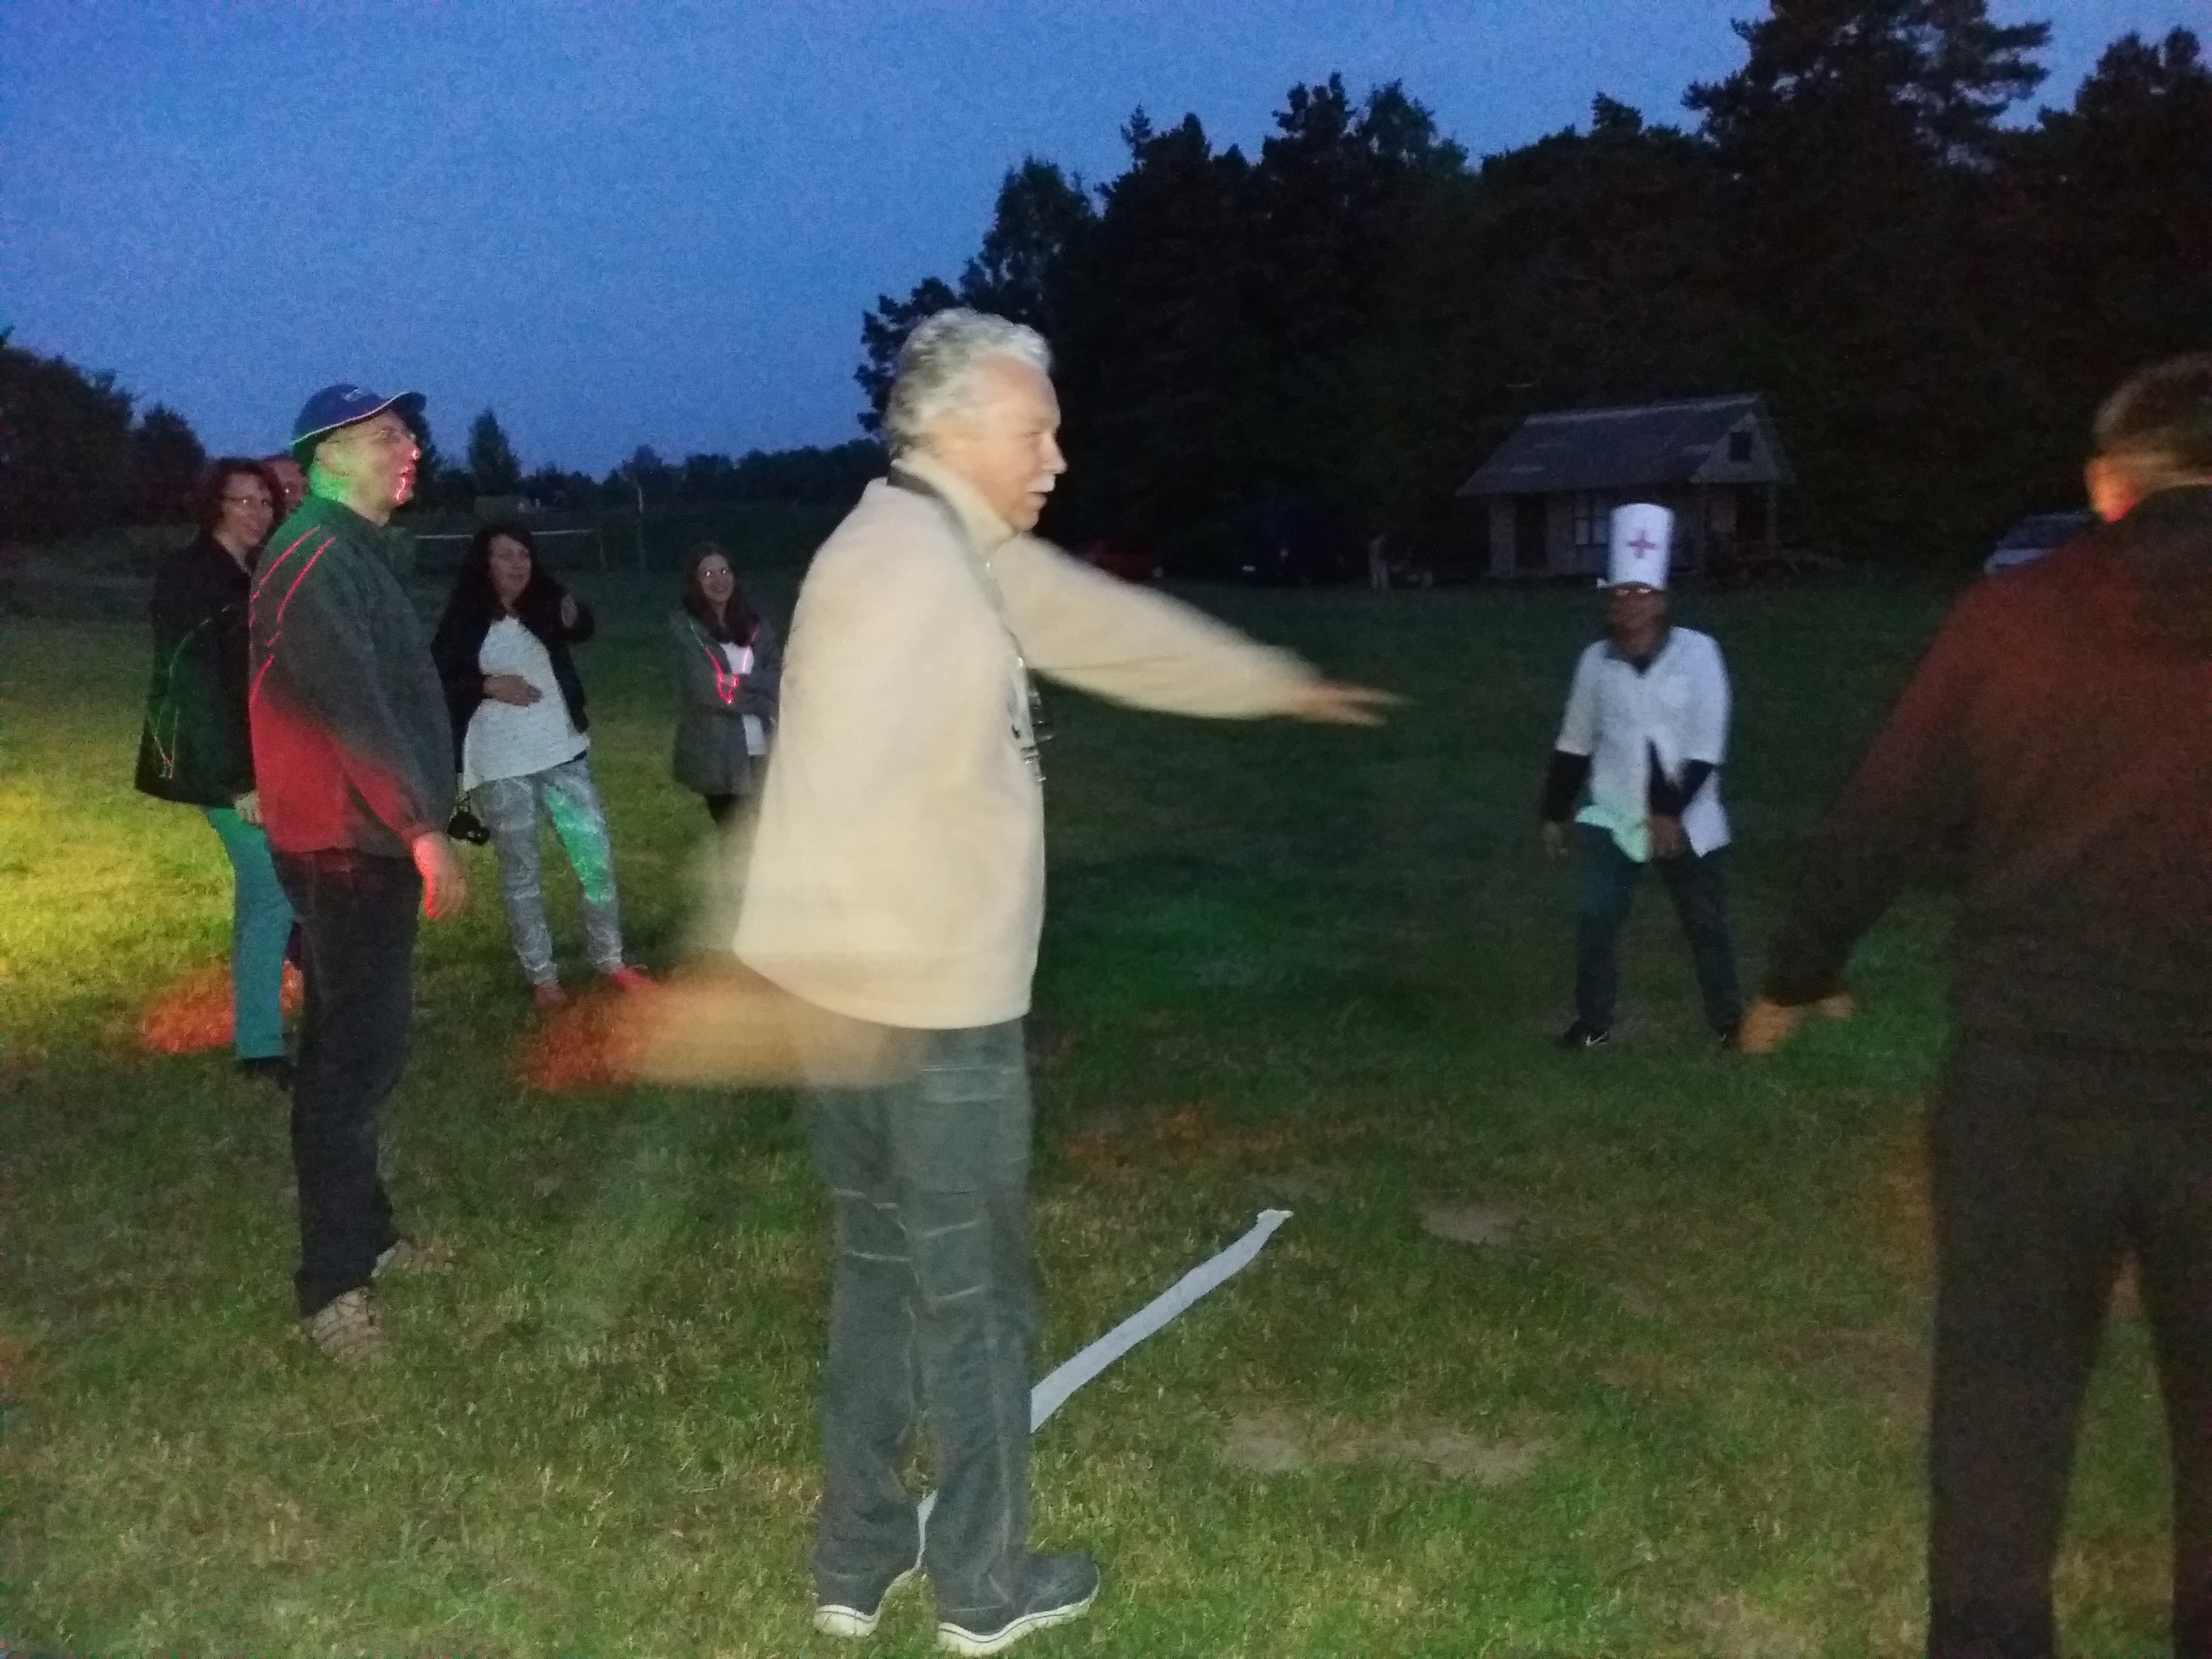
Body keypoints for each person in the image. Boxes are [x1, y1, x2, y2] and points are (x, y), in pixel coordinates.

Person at [733, 309, 1393, 1655]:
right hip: (921, 1006)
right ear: (954, 426)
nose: (1057, 457)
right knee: (975, 1298)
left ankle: (857, 1556)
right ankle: (980, 1587)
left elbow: (1092, 621)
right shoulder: (917, 575)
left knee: (878, 1271)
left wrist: (1265, 682)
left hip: (843, 990)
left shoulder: (931, 542)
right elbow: (851, 772)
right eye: (1035, 431)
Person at [1741, 353, 2212, 1659]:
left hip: (2031, 1090)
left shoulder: (2017, 618)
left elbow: (1880, 816)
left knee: (2005, 1403)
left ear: (2106, 485)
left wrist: (1799, 971)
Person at [248, 383, 468, 1366]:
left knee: (348, 1049)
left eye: (408, 432)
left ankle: (367, 1238)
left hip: (359, 839)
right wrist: (421, 830)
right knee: (353, 1066)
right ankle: (334, 1287)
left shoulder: (351, 552)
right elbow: (353, 708)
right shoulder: (313, 557)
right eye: (385, 434)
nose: (408, 445)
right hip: (347, 846)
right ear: (326, 455)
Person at [1540, 503, 1743, 1050]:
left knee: (1705, 923)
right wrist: (1554, 812)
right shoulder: (1595, 661)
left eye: (1642, 594)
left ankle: (1730, 1023)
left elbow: (1707, 744)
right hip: (1614, 811)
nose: (1630, 604)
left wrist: (1670, 813)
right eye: (1620, 594)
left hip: (1689, 813)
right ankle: (1594, 1024)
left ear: (1662, 602)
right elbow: (1575, 740)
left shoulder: (1700, 654)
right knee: (1597, 920)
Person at [432, 523, 647, 1008]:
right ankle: (543, 976)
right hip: (502, 762)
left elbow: (580, 625)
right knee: (522, 872)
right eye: (505, 556)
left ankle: (611, 959)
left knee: (595, 860)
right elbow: (438, 677)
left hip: (561, 750)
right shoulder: (466, 617)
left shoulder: (543, 602)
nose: (517, 564)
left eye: (524, 555)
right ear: (485, 564)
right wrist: (487, 686)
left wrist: (576, 616)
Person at [133, 457, 295, 1084]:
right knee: (272, 886)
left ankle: (286, 1021)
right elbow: (195, 683)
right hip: (217, 761)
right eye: (243, 501)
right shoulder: (190, 575)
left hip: (260, 752)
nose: (258, 512)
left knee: (272, 890)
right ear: (214, 506)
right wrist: (239, 779)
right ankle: (260, 1045)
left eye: (265, 501)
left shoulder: (255, 570)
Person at [669, 541, 781, 825]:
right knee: (734, 834)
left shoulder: (757, 626)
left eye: (724, 571)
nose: (719, 580)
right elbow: (705, 690)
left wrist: (741, 681)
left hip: (765, 748)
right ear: (696, 583)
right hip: (719, 756)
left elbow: (778, 676)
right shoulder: (687, 629)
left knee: (770, 830)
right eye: (708, 574)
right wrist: (763, 700)